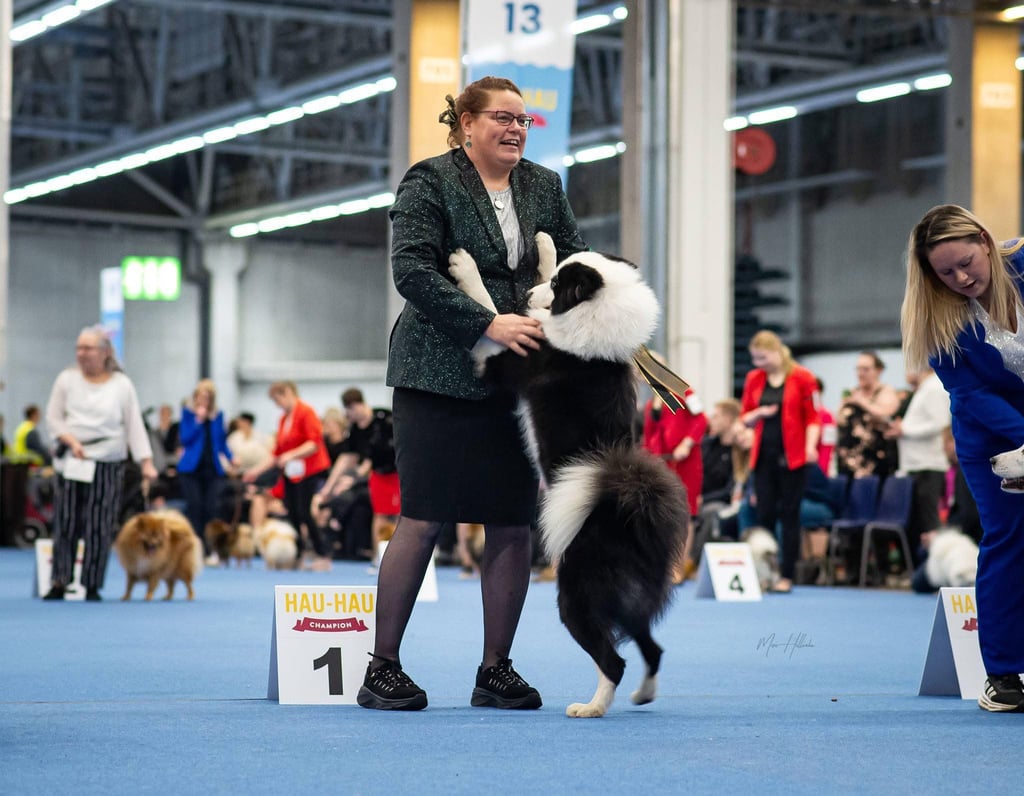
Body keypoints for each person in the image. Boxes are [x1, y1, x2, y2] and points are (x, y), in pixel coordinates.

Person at [358, 75, 587, 712]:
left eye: (524, 120)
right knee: (423, 515)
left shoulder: (543, 185)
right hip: (436, 371)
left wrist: (584, 309)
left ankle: (496, 670)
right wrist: (485, 322)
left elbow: (574, 259)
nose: (516, 129)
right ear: (465, 123)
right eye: (502, 118)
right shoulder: (429, 180)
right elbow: (412, 270)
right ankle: (383, 668)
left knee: (513, 522)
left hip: (518, 377)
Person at [903, 203, 1024, 712]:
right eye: (945, 272)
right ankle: (1001, 674)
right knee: (1010, 537)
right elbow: (971, 396)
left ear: (984, 239)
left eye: (966, 262)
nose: (960, 277)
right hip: (992, 437)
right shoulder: (938, 318)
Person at [43, 325, 158, 601]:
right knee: (67, 521)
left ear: (105, 352)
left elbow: (134, 426)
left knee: (100, 523)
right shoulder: (66, 380)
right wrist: (71, 441)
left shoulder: (122, 385)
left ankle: (92, 583)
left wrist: (146, 462)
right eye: (79, 348)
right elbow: (53, 418)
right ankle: (60, 579)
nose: (82, 354)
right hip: (73, 459)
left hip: (108, 460)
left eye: (88, 348)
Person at [739, 330, 821, 594]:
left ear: (776, 351)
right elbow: (744, 418)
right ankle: (765, 573)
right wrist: (760, 413)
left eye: (762, 358)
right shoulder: (754, 379)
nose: (758, 364)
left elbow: (814, 418)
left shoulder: (803, 377)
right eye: (755, 359)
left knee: (790, 515)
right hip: (763, 456)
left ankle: (786, 574)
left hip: (793, 458)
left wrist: (810, 447)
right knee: (763, 514)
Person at [244, 381, 332, 571]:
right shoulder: (284, 420)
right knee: (292, 512)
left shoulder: (306, 412)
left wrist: (291, 455)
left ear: (288, 393)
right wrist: (255, 471)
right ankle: (298, 554)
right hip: (292, 473)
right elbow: (277, 454)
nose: (277, 404)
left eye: (277, 399)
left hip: (310, 470)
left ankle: (322, 554)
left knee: (304, 512)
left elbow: (314, 443)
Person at [641, 379, 707, 582]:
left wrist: (687, 443)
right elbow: (649, 434)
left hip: (685, 464)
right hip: (661, 465)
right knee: (659, 514)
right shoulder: (652, 403)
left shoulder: (684, 391)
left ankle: (679, 567)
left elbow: (701, 420)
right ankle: (661, 567)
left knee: (686, 514)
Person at [883, 367, 951, 564]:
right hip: (917, 465)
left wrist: (905, 429)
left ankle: (935, 569)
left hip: (928, 465)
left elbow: (940, 422)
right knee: (918, 523)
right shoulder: (924, 388)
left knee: (929, 524)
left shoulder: (933, 388)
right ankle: (922, 569)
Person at [338, 388, 399, 568]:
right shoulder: (355, 429)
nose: (347, 415)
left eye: (348, 410)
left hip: (397, 474)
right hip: (378, 475)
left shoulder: (384, 418)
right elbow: (350, 458)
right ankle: (378, 557)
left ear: (355, 405)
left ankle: (399, 558)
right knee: (379, 516)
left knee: (400, 517)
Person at [176, 379, 234, 561]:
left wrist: (232, 458)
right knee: (195, 508)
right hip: (191, 469)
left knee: (212, 509)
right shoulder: (188, 414)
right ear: (195, 397)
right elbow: (185, 438)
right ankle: (195, 549)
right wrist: (198, 420)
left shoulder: (218, 415)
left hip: (213, 469)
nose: (204, 400)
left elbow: (222, 441)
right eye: (201, 396)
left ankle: (212, 550)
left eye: (208, 397)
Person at [835, 351, 901, 480]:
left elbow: (886, 415)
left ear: (879, 370)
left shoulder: (886, 392)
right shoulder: (853, 393)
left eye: (865, 369)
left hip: (875, 464)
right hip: (848, 463)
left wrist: (861, 402)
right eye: (858, 369)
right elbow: (839, 419)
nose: (860, 374)